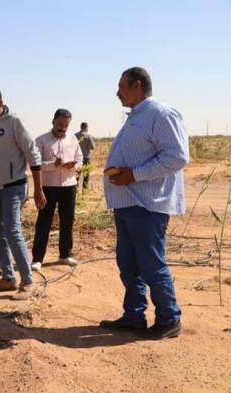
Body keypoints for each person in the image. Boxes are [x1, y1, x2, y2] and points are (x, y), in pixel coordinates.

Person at [100, 67, 189, 340]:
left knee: (151, 263)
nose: (117, 93)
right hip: (128, 202)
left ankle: (168, 318)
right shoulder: (136, 117)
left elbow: (177, 157)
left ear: (137, 86)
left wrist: (134, 175)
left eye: (121, 87)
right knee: (128, 263)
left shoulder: (161, 114)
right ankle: (134, 316)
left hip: (148, 205)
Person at [0, 87, 45, 300]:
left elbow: (33, 155)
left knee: (13, 231)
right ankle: (8, 278)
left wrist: (38, 190)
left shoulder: (14, 123)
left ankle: (27, 281)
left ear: (0, 102)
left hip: (14, 188)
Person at [31, 109, 82, 272]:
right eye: (60, 124)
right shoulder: (41, 140)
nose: (63, 128)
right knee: (44, 222)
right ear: (53, 121)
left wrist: (75, 165)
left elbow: (80, 158)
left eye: (66, 125)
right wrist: (54, 165)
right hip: (48, 187)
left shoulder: (73, 139)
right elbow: (35, 164)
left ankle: (65, 254)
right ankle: (38, 258)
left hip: (69, 185)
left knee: (68, 220)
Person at [75, 122, 95, 189]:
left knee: (77, 175)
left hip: (77, 159)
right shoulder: (88, 136)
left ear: (81, 127)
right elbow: (92, 147)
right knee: (86, 176)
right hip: (86, 158)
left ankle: (75, 190)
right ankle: (84, 190)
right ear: (86, 127)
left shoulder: (75, 135)